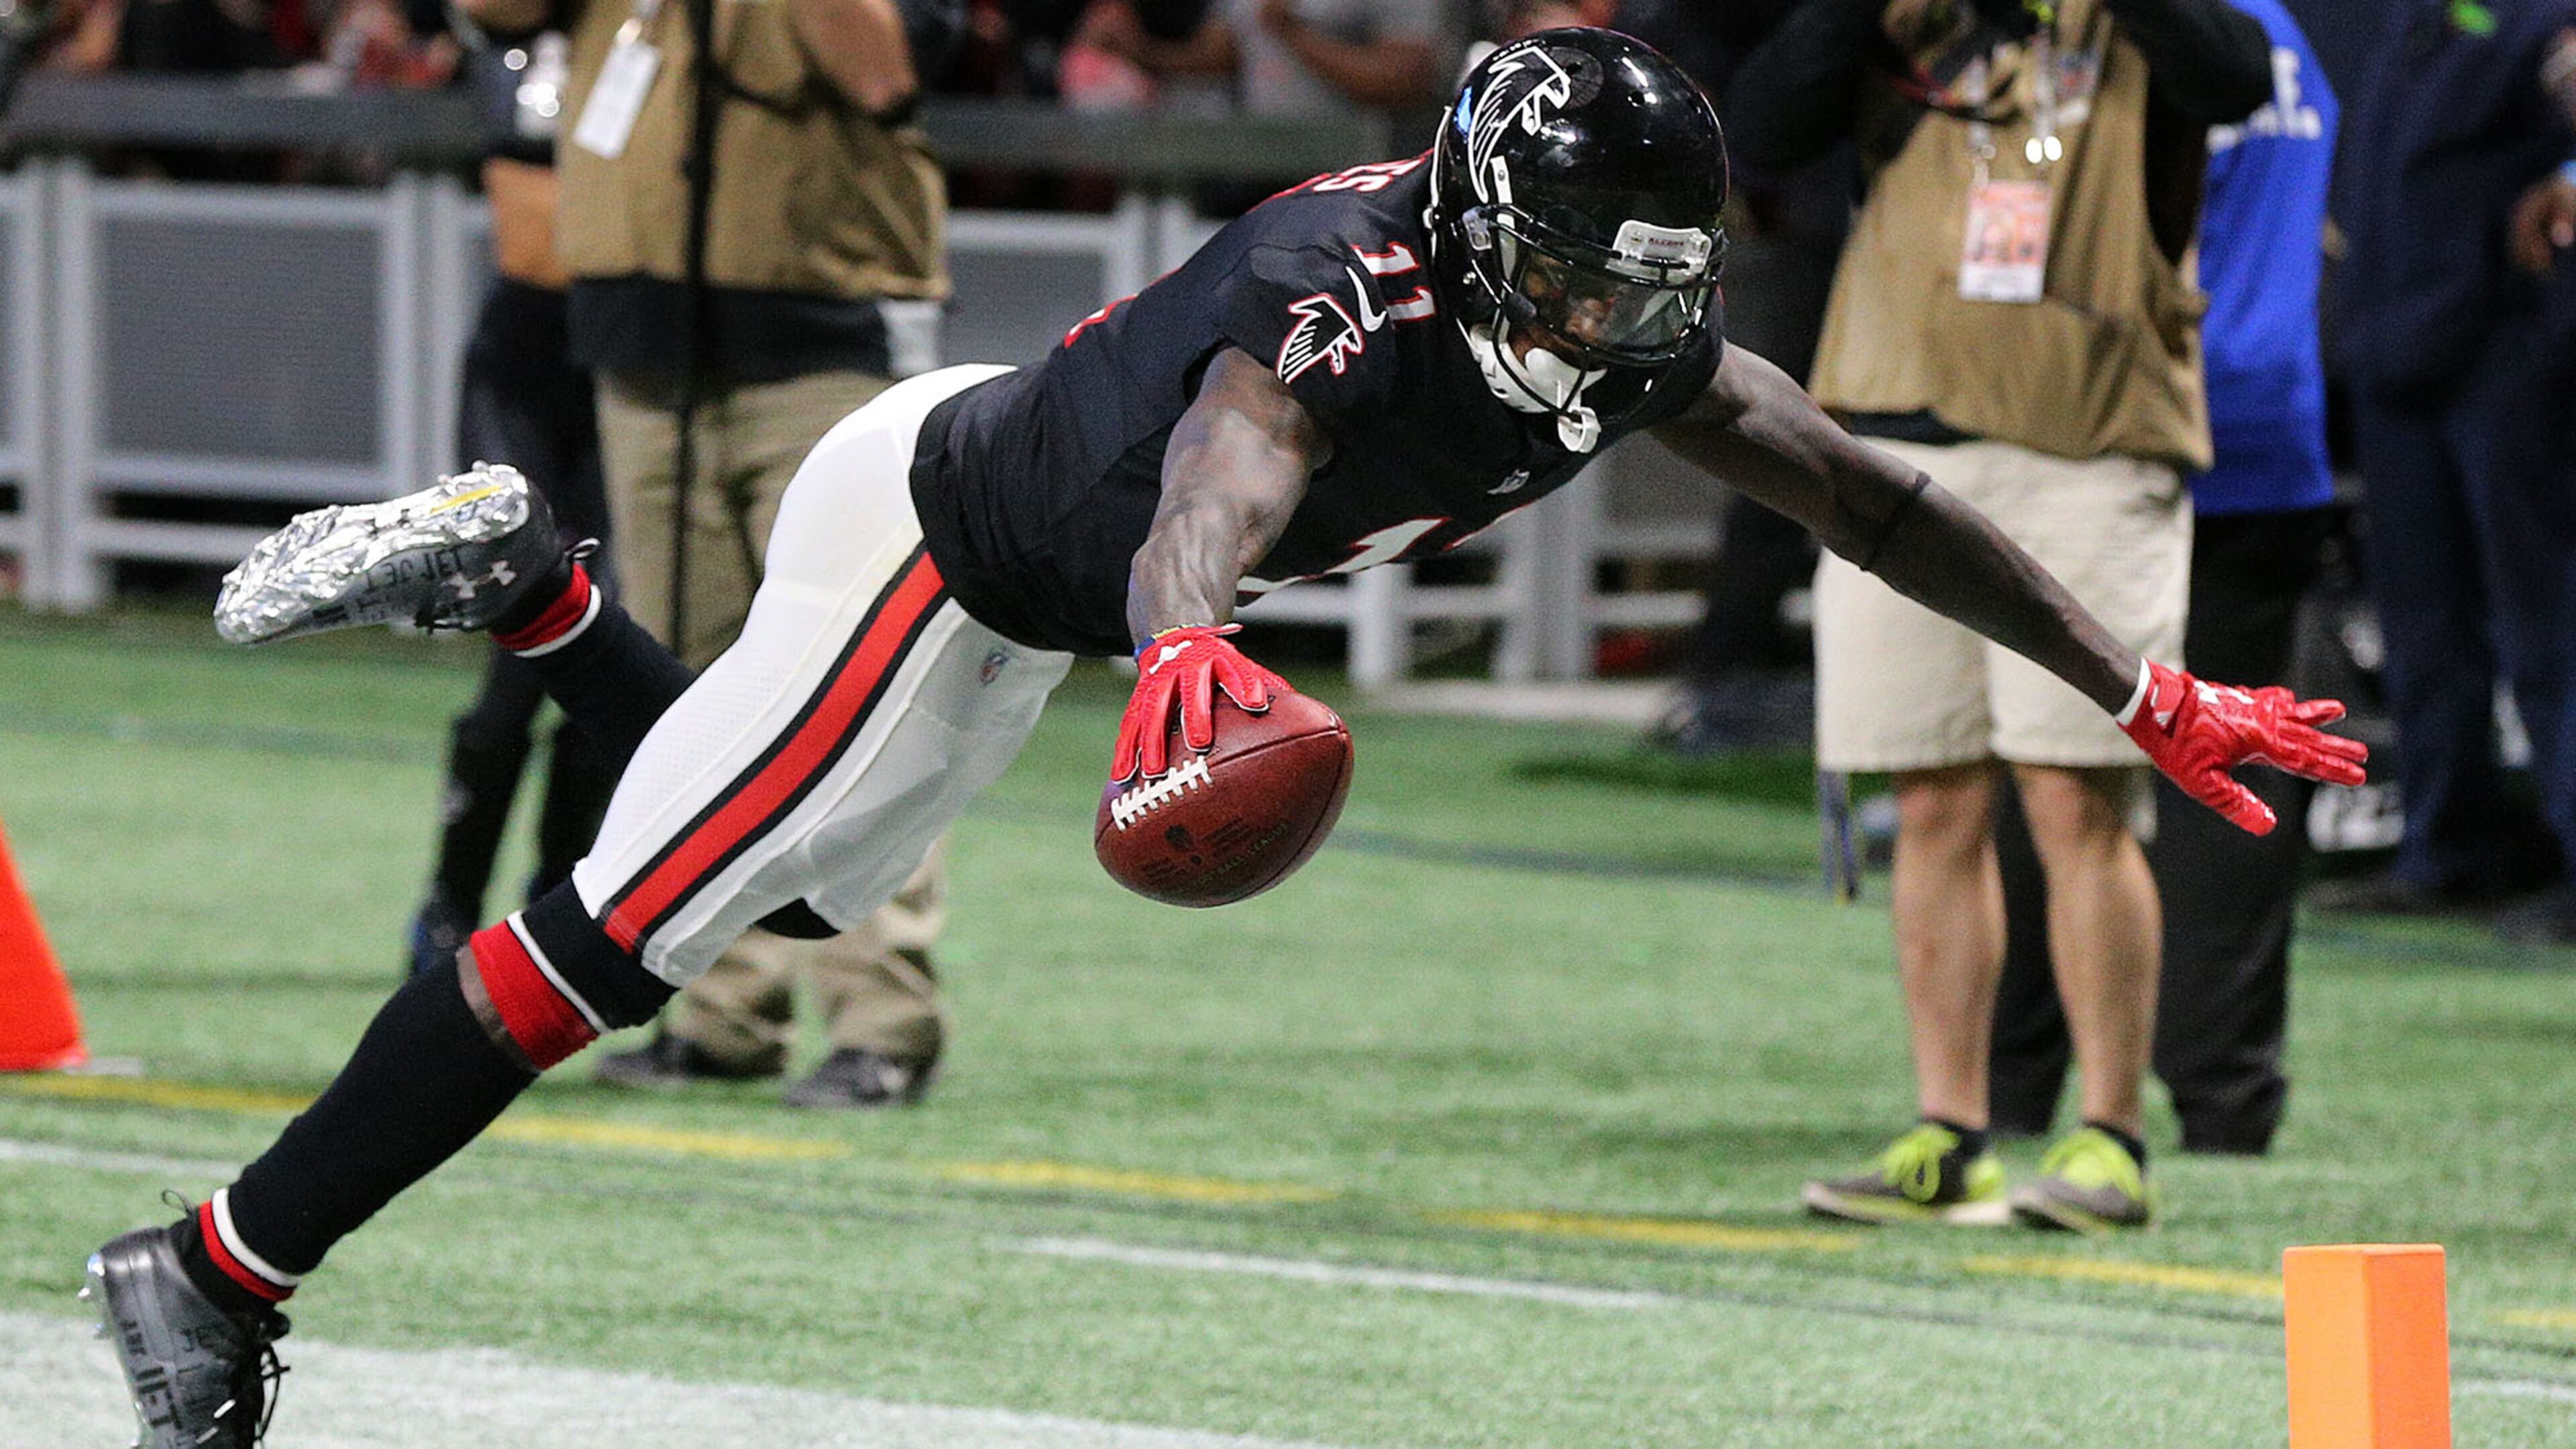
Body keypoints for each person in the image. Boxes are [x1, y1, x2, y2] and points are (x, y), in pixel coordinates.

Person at [86, 32, 2363, 1444]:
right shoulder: (1342, 301)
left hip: (1012, 585)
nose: (1640, 312)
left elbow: (1873, 494)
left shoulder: (1594, 311)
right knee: (593, 958)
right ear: (1484, 233)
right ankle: (209, 1269)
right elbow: (1230, 467)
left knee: (758, 893)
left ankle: (540, 591)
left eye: (1663, 266)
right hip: (954, 554)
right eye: (1600, 265)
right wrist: (1185, 640)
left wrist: (2140, 688)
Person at [1725, 0, 2274, 1230]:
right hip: (1892, 452)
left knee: (2078, 794)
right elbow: (1759, 126)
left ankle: (2111, 1136)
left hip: (2087, 443)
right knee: (1928, 796)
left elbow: (2236, 72)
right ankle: (1949, 1128)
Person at [486, 0, 969, 1104]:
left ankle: (882, 1022)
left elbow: (885, 70)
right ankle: (722, 1011)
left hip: (821, 348)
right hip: (646, 355)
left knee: (864, 689)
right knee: (685, 702)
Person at [1987, 0, 2340, 1157]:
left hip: (2121, 426)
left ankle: (2018, 1087)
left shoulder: (2120, 34)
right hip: (2270, 430)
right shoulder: (2284, 38)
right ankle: (2229, 1098)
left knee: (2056, 771)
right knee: (2235, 780)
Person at [2316, 1, 2576, 943]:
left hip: (2506, 352)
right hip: (2395, 356)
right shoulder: (2413, 17)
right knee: (2424, 626)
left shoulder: (2540, 12)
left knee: (2551, 626)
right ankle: (2450, 850)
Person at [404, 26, 622, 981]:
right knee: (518, 655)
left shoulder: (657, 37)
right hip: (527, 370)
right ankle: (452, 900)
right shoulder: (517, 39)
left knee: (599, 653)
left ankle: (553, 900)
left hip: (626, 361)